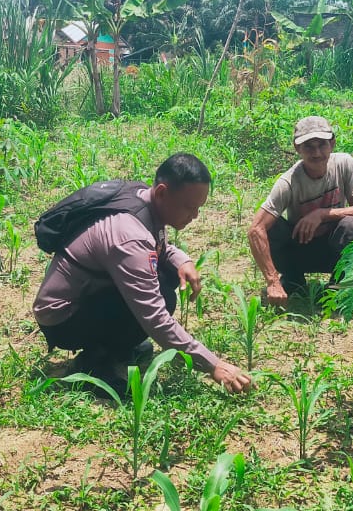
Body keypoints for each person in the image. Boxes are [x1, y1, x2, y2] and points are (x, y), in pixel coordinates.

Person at [32, 153, 252, 394]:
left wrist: (183, 261)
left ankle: (115, 346)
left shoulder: (140, 196)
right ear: (161, 193)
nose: (195, 216)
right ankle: (95, 363)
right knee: (162, 299)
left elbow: (160, 247)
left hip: (86, 295)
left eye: (199, 208)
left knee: (165, 280)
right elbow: (154, 318)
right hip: (63, 318)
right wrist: (214, 365)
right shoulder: (129, 236)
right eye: (189, 207)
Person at [248, 116, 353, 307]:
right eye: (308, 147)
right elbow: (256, 230)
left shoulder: (344, 164)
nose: (316, 153)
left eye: (321, 145)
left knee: (352, 225)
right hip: (300, 249)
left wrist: (322, 214)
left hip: (335, 249)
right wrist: (272, 282)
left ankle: (339, 284)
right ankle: (292, 279)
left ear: (332, 143)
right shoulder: (288, 182)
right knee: (272, 227)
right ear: (298, 149)